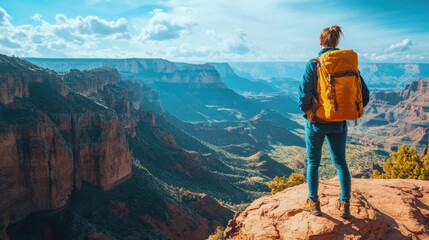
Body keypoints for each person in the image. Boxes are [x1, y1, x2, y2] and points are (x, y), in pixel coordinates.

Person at [298, 25, 370, 218]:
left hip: (317, 122)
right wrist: (345, 112)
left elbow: (304, 95)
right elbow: (365, 94)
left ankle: (313, 203)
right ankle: (345, 204)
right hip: (339, 122)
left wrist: (308, 113)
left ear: (321, 42)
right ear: (337, 42)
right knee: (340, 163)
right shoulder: (348, 64)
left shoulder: (314, 64)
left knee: (313, 162)